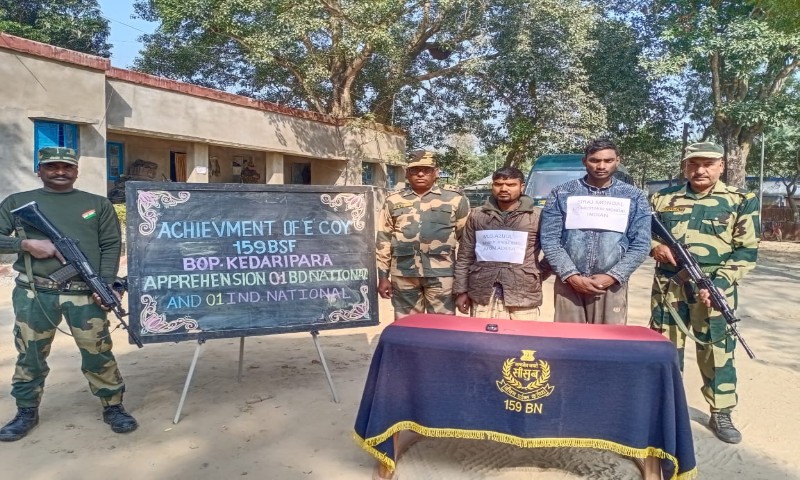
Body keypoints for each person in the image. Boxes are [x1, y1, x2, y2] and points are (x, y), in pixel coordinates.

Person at [0, 147, 138, 442]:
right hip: (35, 294)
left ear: (76, 171)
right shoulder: (17, 202)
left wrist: (107, 285)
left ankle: (113, 406)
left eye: (67, 167)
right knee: (30, 354)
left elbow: (111, 246)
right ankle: (26, 411)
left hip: (85, 294)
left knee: (98, 352)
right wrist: (26, 245)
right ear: (39, 170)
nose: (60, 172)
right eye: (52, 166)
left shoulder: (97, 204)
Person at [650, 141, 760, 444]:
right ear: (685, 166)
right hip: (669, 287)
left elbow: (747, 250)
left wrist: (720, 284)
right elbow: (641, 232)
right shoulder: (663, 198)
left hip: (714, 285)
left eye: (708, 164)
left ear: (721, 166)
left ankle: (721, 411)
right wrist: (654, 246)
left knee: (717, 349)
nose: (700, 170)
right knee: (664, 347)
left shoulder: (740, 199)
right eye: (693, 164)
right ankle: (665, 407)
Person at [540, 138, 651, 324]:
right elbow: (550, 239)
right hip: (569, 284)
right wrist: (571, 275)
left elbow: (641, 243)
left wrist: (613, 276)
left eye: (608, 160)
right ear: (585, 161)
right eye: (594, 160)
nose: (601, 166)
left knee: (608, 340)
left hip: (611, 285)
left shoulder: (634, 196)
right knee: (568, 338)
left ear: (617, 161)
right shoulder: (561, 193)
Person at [376, 152, 470, 319]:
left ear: (436, 173)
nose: (420, 174)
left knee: (442, 324)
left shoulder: (455, 200)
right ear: (407, 173)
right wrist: (383, 277)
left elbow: (467, 243)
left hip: (442, 274)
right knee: (407, 326)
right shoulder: (393, 201)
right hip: (404, 275)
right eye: (415, 170)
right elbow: (384, 240)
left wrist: (463, 281)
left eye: (426, 170)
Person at [453, 167, 549, 320]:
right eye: (498, 184)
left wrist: (535, 272)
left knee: (521, 335)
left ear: (522, 187)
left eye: (511, 185)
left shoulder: (537, 216)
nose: (504, 188)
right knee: (482, 334)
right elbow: (465, 256)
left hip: (523, 294)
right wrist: (461, 291)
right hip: (482, 292)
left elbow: (552, 252)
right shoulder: (477, 215)